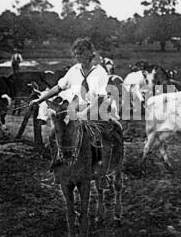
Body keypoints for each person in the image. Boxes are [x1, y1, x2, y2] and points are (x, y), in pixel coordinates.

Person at [29, 37, 118, 185]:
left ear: (90, 54)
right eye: (76, 54)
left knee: (101, 136)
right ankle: (57, 171)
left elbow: (100, 97)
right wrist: (40, 99)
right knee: (54, 135)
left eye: (80, 53)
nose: (77, 57)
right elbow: (58, 87)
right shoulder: (73, 70)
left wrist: (85, 113)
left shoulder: (100, 72)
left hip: (93, 109)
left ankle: (101, 173)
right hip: (73, 110)